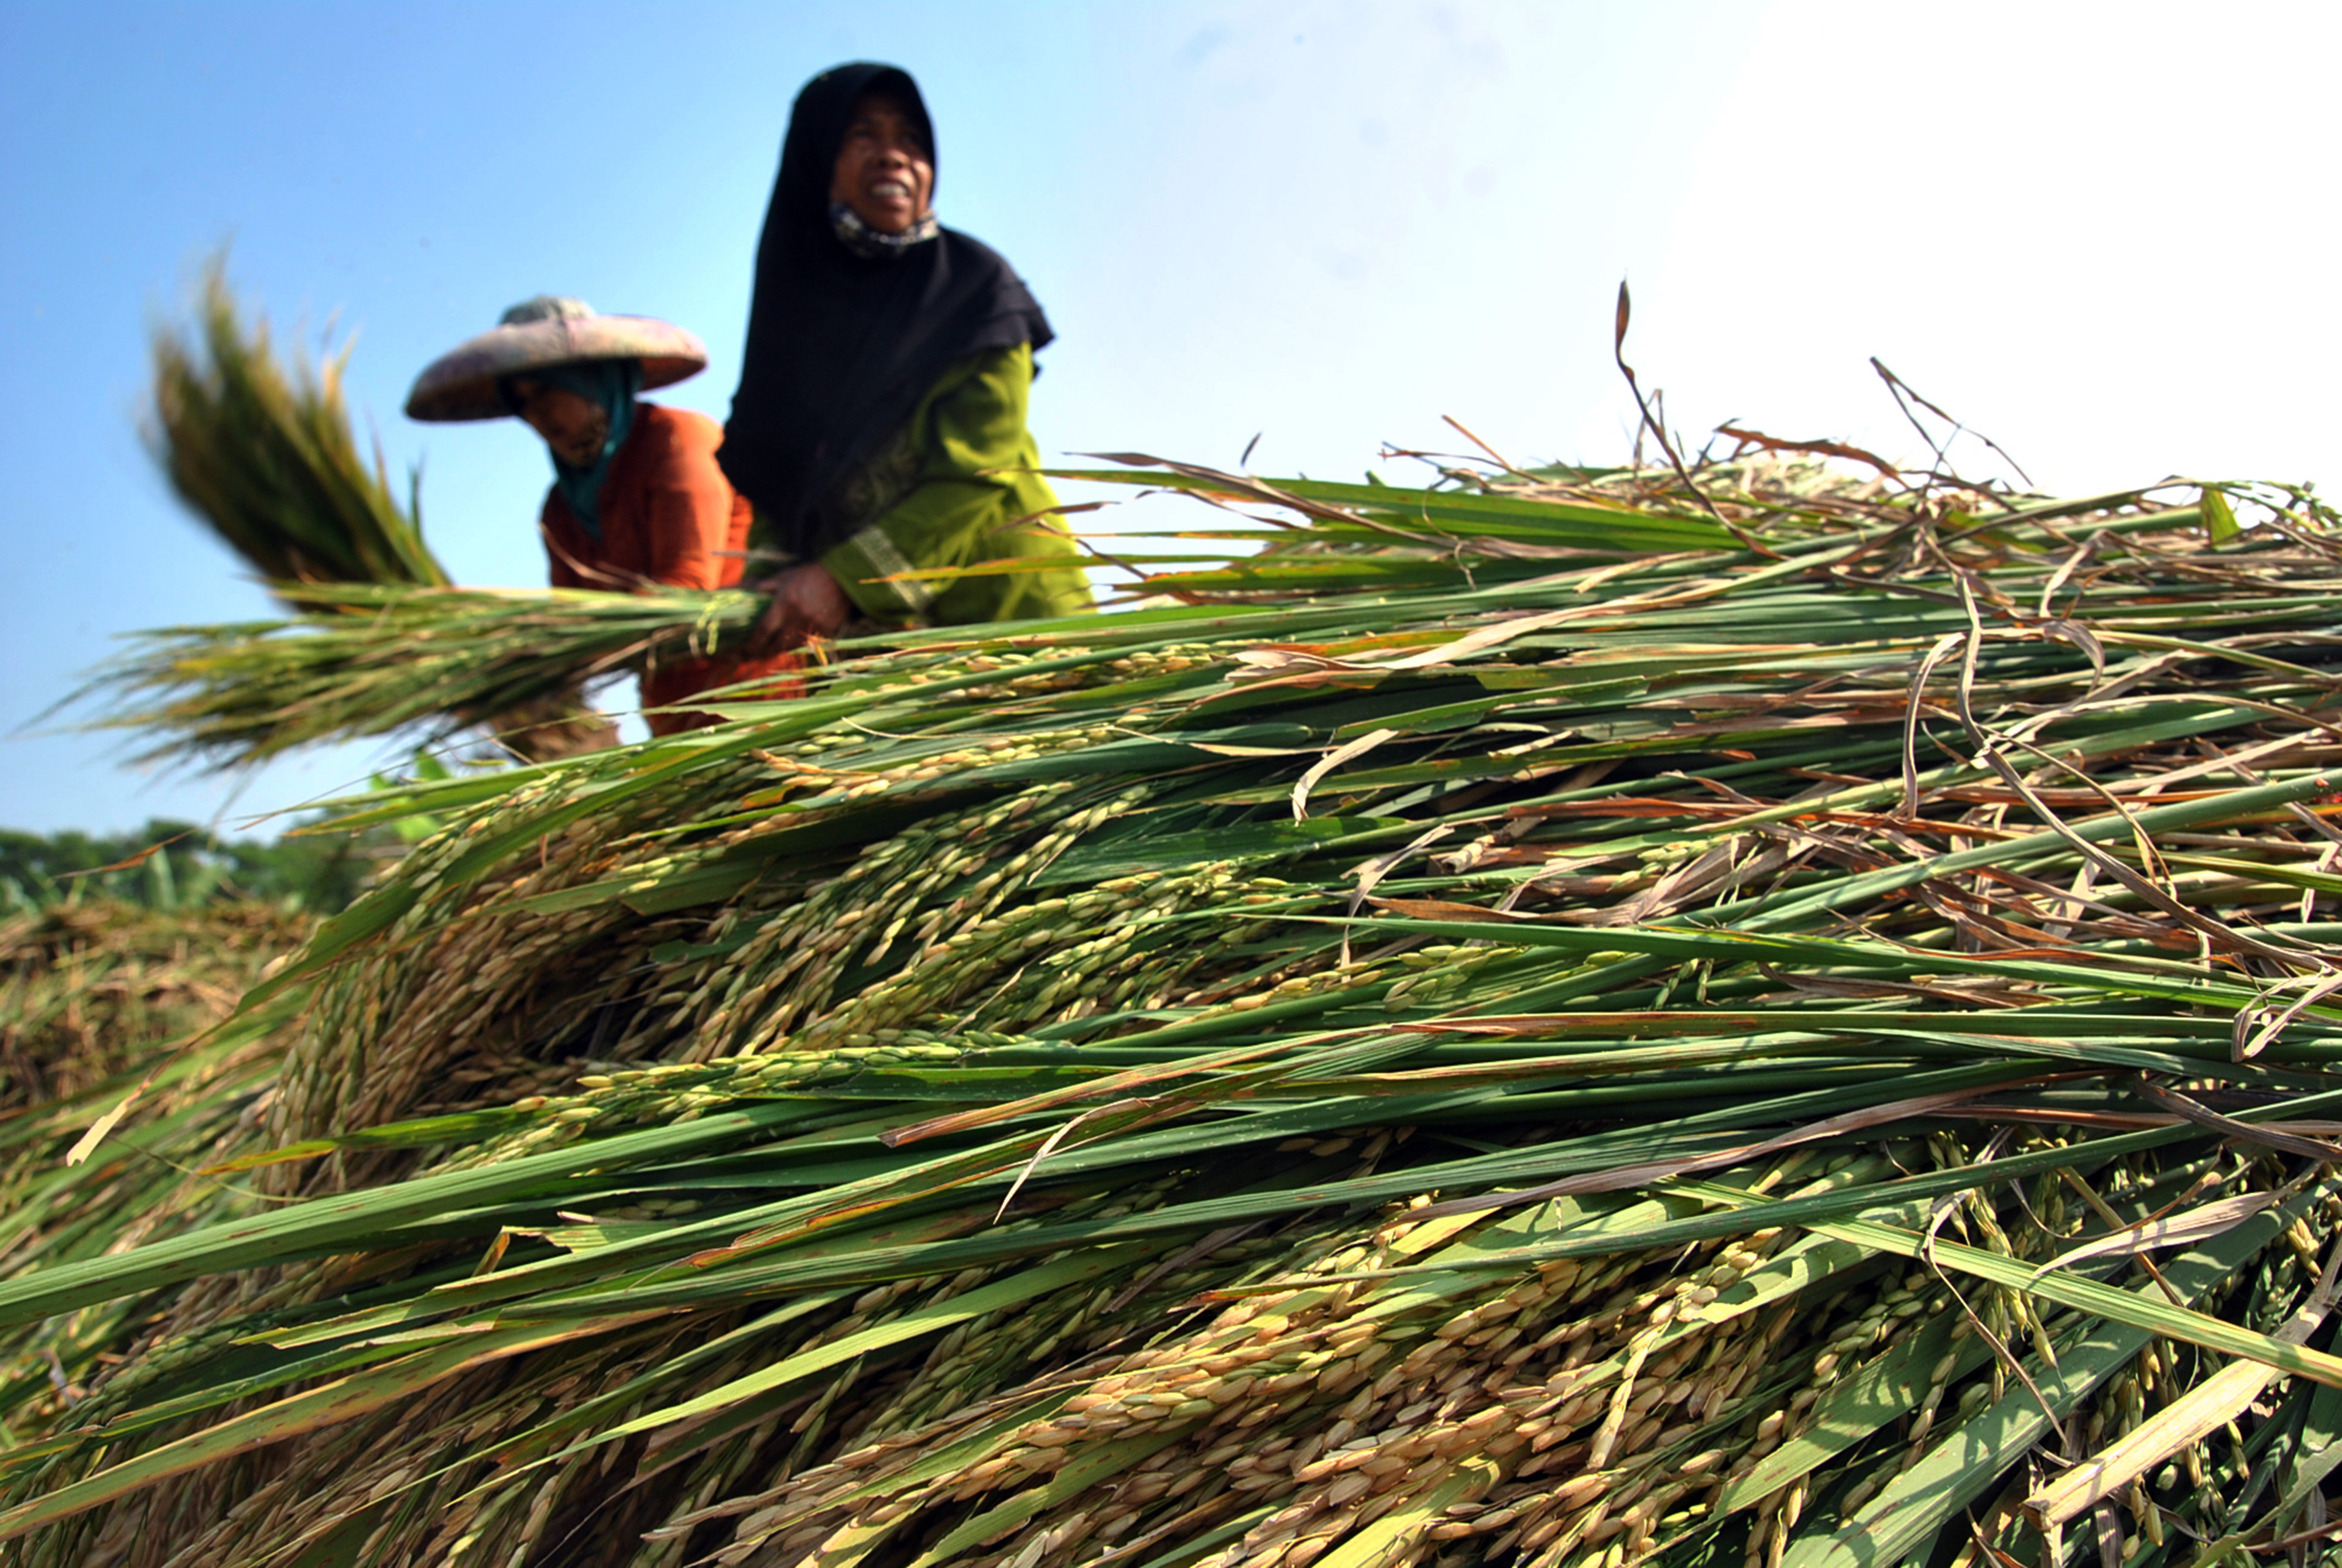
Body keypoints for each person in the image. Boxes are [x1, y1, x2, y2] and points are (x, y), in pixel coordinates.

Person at [720, 61, 1092, 657]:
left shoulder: (974, 293)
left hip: (1013, 621)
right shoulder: (789, 323)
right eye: (862, 134)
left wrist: (841, 579)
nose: (893, 156)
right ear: (816, 161)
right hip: (870, 651)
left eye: (910, 139)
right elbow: (774, 481)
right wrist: (761, 590)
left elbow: (977, 472)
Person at [406, 297, 802, 742]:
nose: (537, 415)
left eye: (546, 391)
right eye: (520, 403)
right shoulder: (561, 510)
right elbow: (576, 621)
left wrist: (524, 625)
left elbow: (687, 589)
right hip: (677, 719)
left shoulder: (677, 442)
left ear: (591, 377)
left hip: (768, 699)